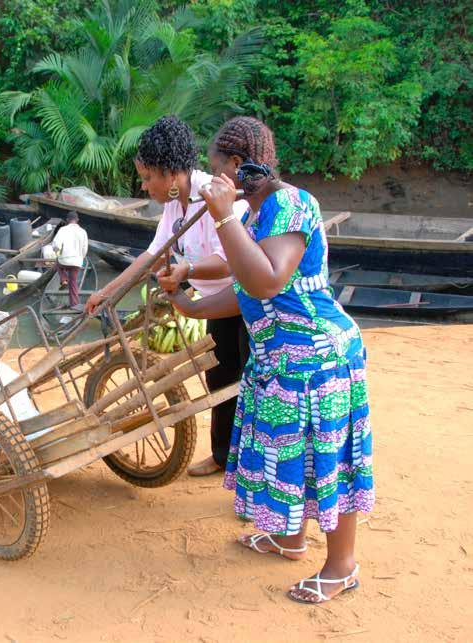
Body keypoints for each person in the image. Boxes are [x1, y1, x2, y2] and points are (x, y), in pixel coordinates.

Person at [164, 116, 374, 603]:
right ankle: (290, 537)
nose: (213, 180)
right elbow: (246, 292)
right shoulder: (258, 217)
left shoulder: (293, 204)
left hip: (320, 360)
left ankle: (342, 567)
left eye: (217, 170)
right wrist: (190, 303)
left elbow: (268, 280)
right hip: (281, 362)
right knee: (292, 456)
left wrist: (222, 217)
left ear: (235, 166)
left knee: (330, 461)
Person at [85, 115, 250, 477]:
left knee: (249, 387)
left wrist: (187, 271)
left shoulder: (216, 197)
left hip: (244, 304)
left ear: (171, 173)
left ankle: (251, 477)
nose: (145, 187)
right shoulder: (175, 205)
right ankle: (224, 458)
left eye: (147, 178)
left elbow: (229, 263)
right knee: (220, 380)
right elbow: (151, 253)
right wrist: (108, 292)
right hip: (215, 307)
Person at [52, 211, 88, 308]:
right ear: (77, 220)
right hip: (77, 262)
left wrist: (57, 252)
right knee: (73, 283)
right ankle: (74, 304)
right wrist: (81, 258)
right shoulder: (83, 231)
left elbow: (56, 245)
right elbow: (85, 249)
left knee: (57, 262)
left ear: (67, 220)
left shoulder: (63, 230)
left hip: (64, 261)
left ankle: (63, 278)